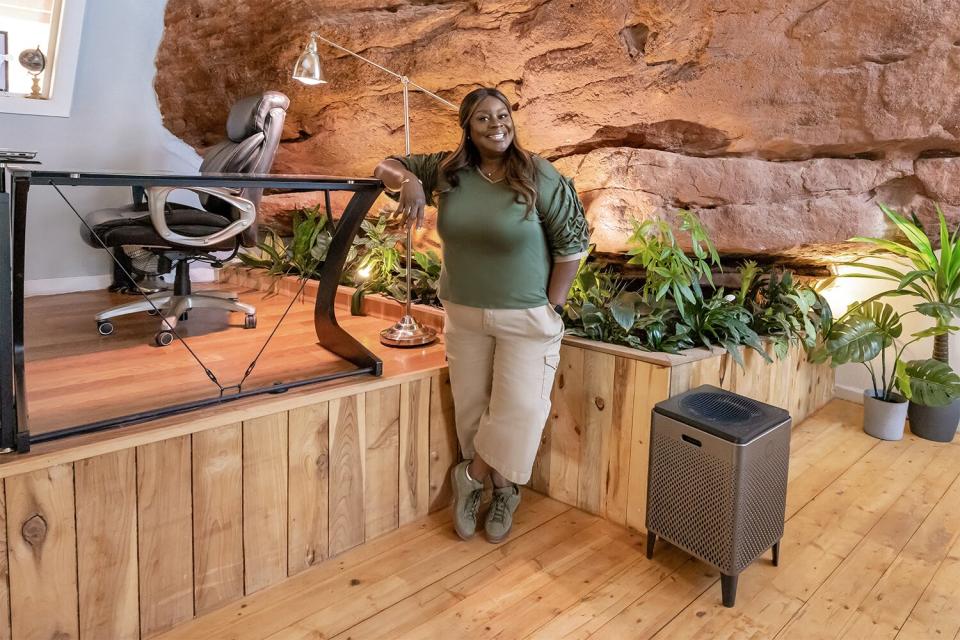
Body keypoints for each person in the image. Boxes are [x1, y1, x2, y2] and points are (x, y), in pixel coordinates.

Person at [374, 87, 590, 543]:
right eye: (484, 119)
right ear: (468, 129)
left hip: (527, 316)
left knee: (522, 407)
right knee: (473, 411)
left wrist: (551, 303)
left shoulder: (539, 175)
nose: (497, 125)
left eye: (503, 114)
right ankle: (498, 485)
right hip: (464, 312)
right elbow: (384, 166)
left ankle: (476, 477)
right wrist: (409, 181)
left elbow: (573, 243)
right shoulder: (447, 173)